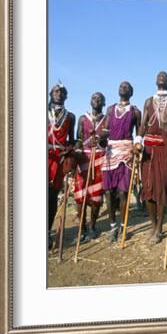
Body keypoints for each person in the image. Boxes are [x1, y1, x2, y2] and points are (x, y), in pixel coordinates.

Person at [135, 71, 167, 244]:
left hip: (165, 148)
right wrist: (138, 141)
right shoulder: (148, 101)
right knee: (148, 188)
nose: (162, 77)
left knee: (162, 189)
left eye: (165, 76)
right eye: (159, 76)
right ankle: (152, 225)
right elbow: (143, 124)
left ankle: (160, 228)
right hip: (148, 149)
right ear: (155, 81)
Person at [101, 82, 142, 242]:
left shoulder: (135, 111)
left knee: (123, 192)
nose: (123, 88)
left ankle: (124, 227)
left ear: (131, 92)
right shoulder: (110, 110)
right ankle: (113, 227)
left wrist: (138, 144)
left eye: (126, 87)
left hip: (127, 152)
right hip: (110, 153)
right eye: (121, 86)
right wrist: (100, 139)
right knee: (109, 192)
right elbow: (105, 131)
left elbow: (139, 131)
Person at [73, 92, 106, 242]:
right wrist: (79, 149)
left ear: (103, 103)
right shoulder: (82, 118)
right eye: (94, 97)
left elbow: (108, 140)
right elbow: (78, 139)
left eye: (100, 98)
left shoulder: (106, 120)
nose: (96, 100)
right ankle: (82, 228)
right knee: (81, 195)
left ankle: (92, 226)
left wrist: (99, 141)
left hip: (100, 157)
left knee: (96, 195)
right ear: (90, 101)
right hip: (84, 158)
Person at [47, 82, 76, 246]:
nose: (59, 93)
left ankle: (47, 232)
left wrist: (73, 150)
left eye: (62, 91)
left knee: (52, 197)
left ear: (66, 96)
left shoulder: (70, 116)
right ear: (51, 94)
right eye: (56, 91)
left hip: (59, 160)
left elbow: (71, 140)